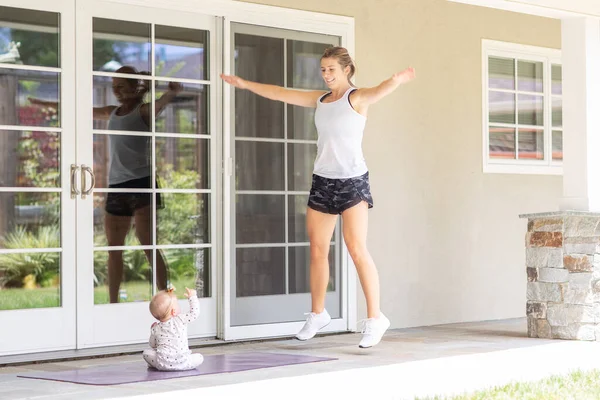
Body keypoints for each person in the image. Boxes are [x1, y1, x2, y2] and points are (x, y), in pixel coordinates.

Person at [221, 47, 415, 348]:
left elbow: (379, 91)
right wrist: (245, 84)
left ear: (347, 69)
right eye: (323, 69)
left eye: (331, 70)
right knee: (317, 249)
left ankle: (376, 318)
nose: (326, 75)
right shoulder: (320, 100)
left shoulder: (357, 98)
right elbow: (279, 93)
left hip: (352, 182)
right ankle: (318, 313)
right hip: (323, 181)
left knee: (356, 247)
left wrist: (397, 79)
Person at [29, 66, 182, 303]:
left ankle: (168, 300)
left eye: (121, 86)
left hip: (142, 185)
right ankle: (113, 304)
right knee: (114, 250)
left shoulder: (143, 111)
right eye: (114, 87)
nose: (117, 91)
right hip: (117, 186)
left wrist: (172, 93)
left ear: (133, 87)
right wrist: (46, 104)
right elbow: (80, 110)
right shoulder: (112, 113)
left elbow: (161, 103)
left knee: (148, 244)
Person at [143, 286, 204, 371]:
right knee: (200, 357)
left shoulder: (156, 328)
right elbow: (194, 313)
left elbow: (153, 345)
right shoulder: (180, 319)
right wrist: (193, 297)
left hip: (162, 364)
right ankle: (180, 365)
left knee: (146, 353)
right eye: (177, 304)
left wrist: (152, 330)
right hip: (184, 363)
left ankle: (159, 365)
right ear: (173, 311)